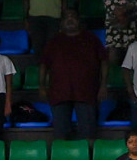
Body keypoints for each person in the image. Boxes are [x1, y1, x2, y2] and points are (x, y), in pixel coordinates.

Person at [40, 10, 106, 140]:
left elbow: (104, 61)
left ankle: (88, 158)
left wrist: (103, 85)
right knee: (61, 132)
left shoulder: (91, 39)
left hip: (86, 91)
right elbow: (44, 64)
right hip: (60, 92)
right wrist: (41, 86)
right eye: (67, 17)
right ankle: (63, 158)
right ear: (62, 22)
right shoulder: (54, 41)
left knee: (88, 132)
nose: (70, 20)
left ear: (79, 20)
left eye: (73, 17)